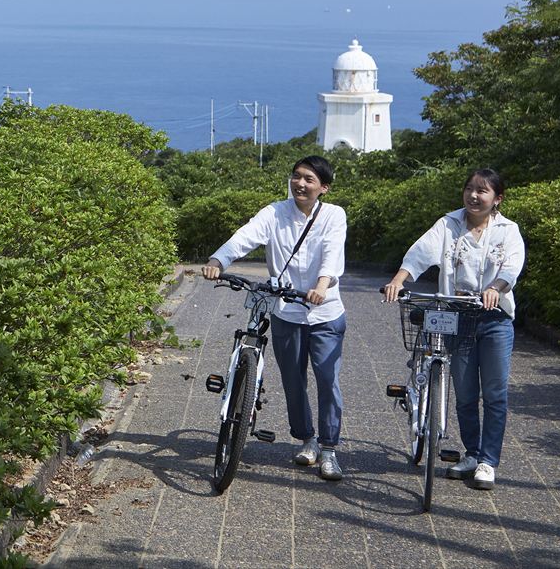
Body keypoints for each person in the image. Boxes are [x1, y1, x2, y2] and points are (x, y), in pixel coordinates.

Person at [203, 155, 349, 480]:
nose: (300, 183)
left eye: (309, 179)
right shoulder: (275, 212)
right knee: (292, 381)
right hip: (286, 310)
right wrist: (219, 259)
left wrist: (322, 285)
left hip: (325, 312)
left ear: (323, 187)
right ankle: (307, 440)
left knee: (327, 379)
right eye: (297, 177)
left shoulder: (334, 216)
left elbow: (332, 252)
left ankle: (329, 449)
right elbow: (246, 235)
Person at [380, 167, 526, 491]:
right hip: (457, 316)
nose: (474, 196)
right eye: (470, 189)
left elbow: (512, 266)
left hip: (494, 318)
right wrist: (398, 281)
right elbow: (420, 253)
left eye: (483, 191)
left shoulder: (507, 230)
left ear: (497, 198)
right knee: (464, 393)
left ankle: (488, 461)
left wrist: (496, 288)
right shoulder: (448, 224)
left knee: (495, 393)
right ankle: (472, 454)